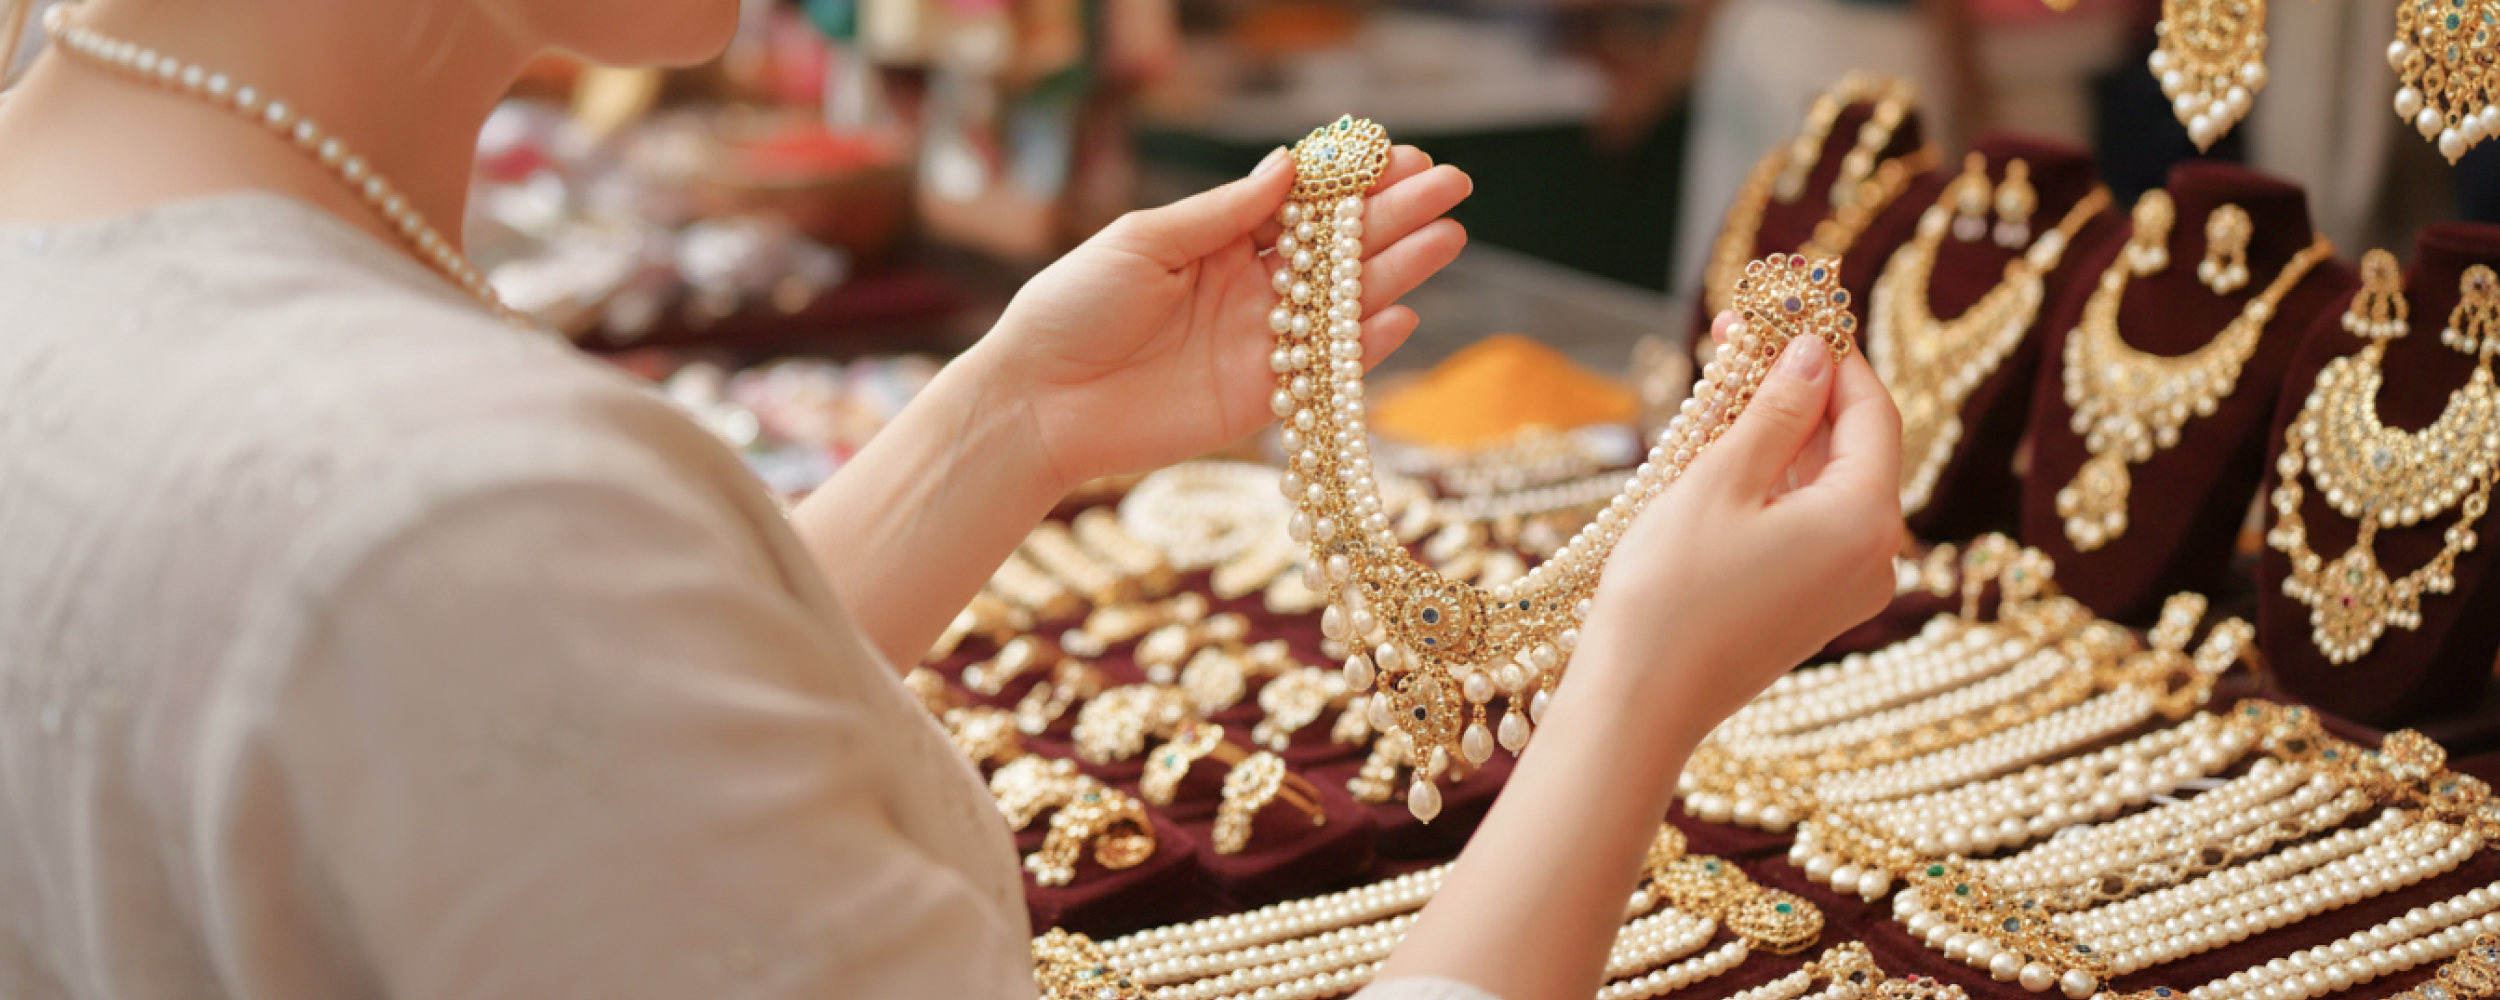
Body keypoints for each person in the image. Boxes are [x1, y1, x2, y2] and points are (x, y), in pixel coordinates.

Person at [0, 1, 1903, 998]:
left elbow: (518, 746)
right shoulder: (450, 503)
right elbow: (481, 613)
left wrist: (1006, 428)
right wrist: (1634, 693)